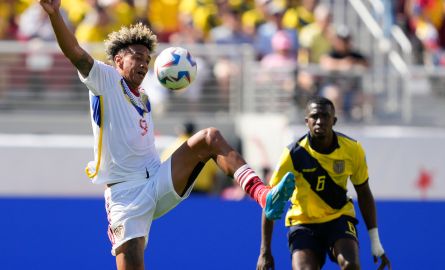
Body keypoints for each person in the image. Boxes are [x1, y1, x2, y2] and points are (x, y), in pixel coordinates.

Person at [38, 0, 295, 269]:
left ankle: (264, 195)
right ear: (118, 60)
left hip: (157, 179)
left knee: (209, 137)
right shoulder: (105, 80)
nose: (143, 63)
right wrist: (55, 15)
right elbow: (75, 53)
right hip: (126, 196)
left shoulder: (145, 98)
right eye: (137, 57)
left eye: (147, 60)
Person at [256, 97, 391, 270]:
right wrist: (265, 251)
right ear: (307, 121)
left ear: (333, 120)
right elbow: (270, 202)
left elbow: (364, 193)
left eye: (325, 116)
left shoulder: (352, 149)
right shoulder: (293, 154)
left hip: (338, 218)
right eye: (314, 116)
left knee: (351, 265)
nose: (320, 121)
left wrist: (375, 242)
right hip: (303, 222)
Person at [161, 121, 219, 195]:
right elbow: (214, 173)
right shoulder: (202, 148)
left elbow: (163, 169)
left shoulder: (171, 147)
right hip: (202, 193)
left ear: (180, 131)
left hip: (178, 191)